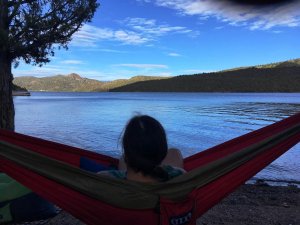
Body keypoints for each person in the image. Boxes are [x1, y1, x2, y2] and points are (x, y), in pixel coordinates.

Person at [99, 115, 185, 182]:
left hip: (126, 186)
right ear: (162, 154)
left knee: (121, 159)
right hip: (161, 185)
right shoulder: (179, 178)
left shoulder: (103, 180)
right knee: (174, 152)